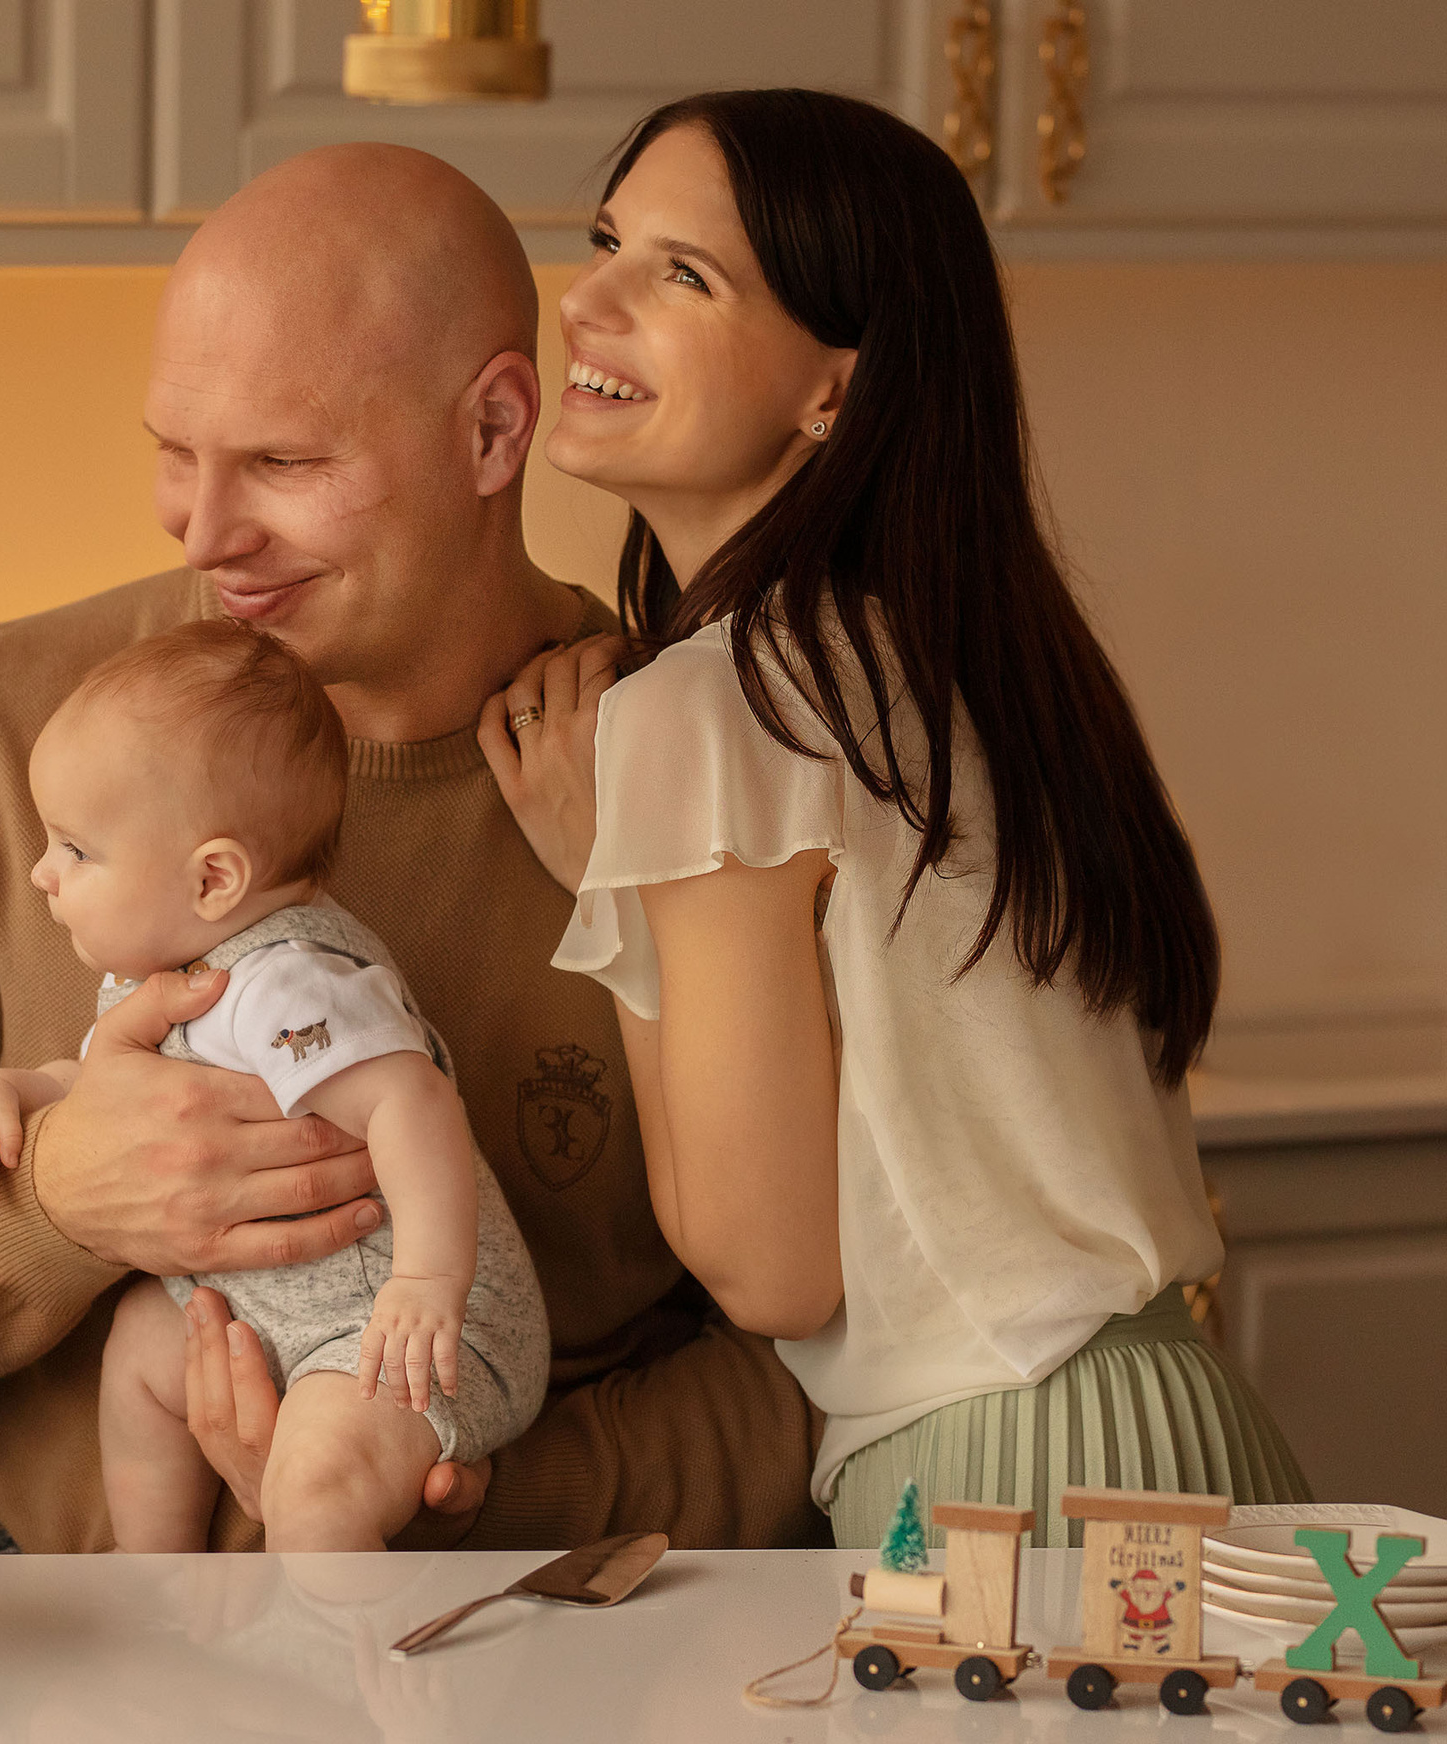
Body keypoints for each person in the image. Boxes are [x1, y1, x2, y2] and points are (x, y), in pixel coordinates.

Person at [0, 143, 823, 1554]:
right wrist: (58, 1198)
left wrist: (448, 1494)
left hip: (530, 1648)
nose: (207, 532)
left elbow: (825, 1372)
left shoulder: (694, 774)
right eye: (176, 455)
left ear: (494, 433)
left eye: (286, 462)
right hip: (59, 1652)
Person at [482, 89, 1309, 1545]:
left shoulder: (712, 703)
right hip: (1193, 1422)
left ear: (836, 391)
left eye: (683, 275)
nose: (587, 298)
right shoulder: (977, 669)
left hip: (999, 1484)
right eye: (608, 240)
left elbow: (768, 1271)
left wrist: (600, 884)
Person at [0, 620, 548, 1550]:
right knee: (141, 1346)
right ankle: (166, 1591)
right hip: (267, 1315)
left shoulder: (284, 981)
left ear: (213, 878)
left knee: (315, 1487)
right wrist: (11, 1090)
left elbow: (410, 1100)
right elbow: (102, 1086)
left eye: (77, 850)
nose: (41, 873)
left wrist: (426, 1280)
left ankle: (363, 1675)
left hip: (394, 1331)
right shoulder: (166, 975)